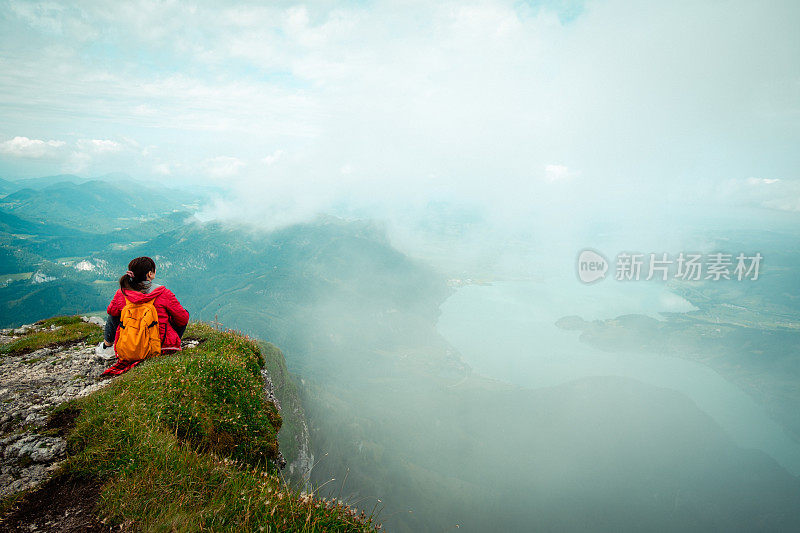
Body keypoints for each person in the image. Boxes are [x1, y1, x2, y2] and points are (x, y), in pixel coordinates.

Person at [97, 256, 189, 376]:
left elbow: (111, 311)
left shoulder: (122, 293)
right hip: (159, 348)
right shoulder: (163, 293)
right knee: (182, 313)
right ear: (150, 274)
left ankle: (107, 346)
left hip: (130, 347)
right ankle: (171, 344)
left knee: (114, 314)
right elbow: (183, 319)